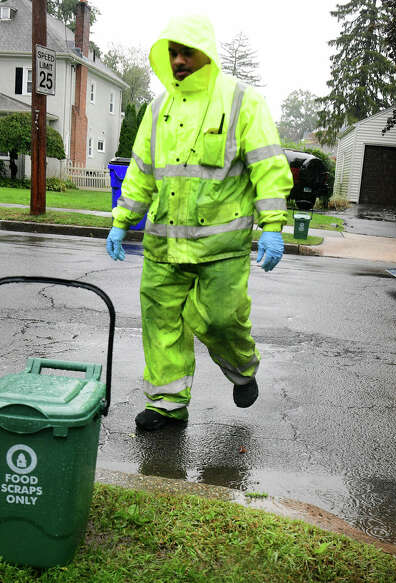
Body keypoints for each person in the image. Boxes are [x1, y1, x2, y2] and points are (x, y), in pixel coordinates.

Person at [106, 14, 293, 431]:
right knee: (161, 322)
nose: (177, 61)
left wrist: (273, 226)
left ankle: (243, 369)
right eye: (171, 52)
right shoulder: (157, 110)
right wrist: (122, 220)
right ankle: (167, 405)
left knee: (220, 320)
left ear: (205, 52)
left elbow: (267, 167)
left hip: (220, 248)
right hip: (163, 246)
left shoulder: (242, 102)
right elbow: (140, 173)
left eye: (185, 51)